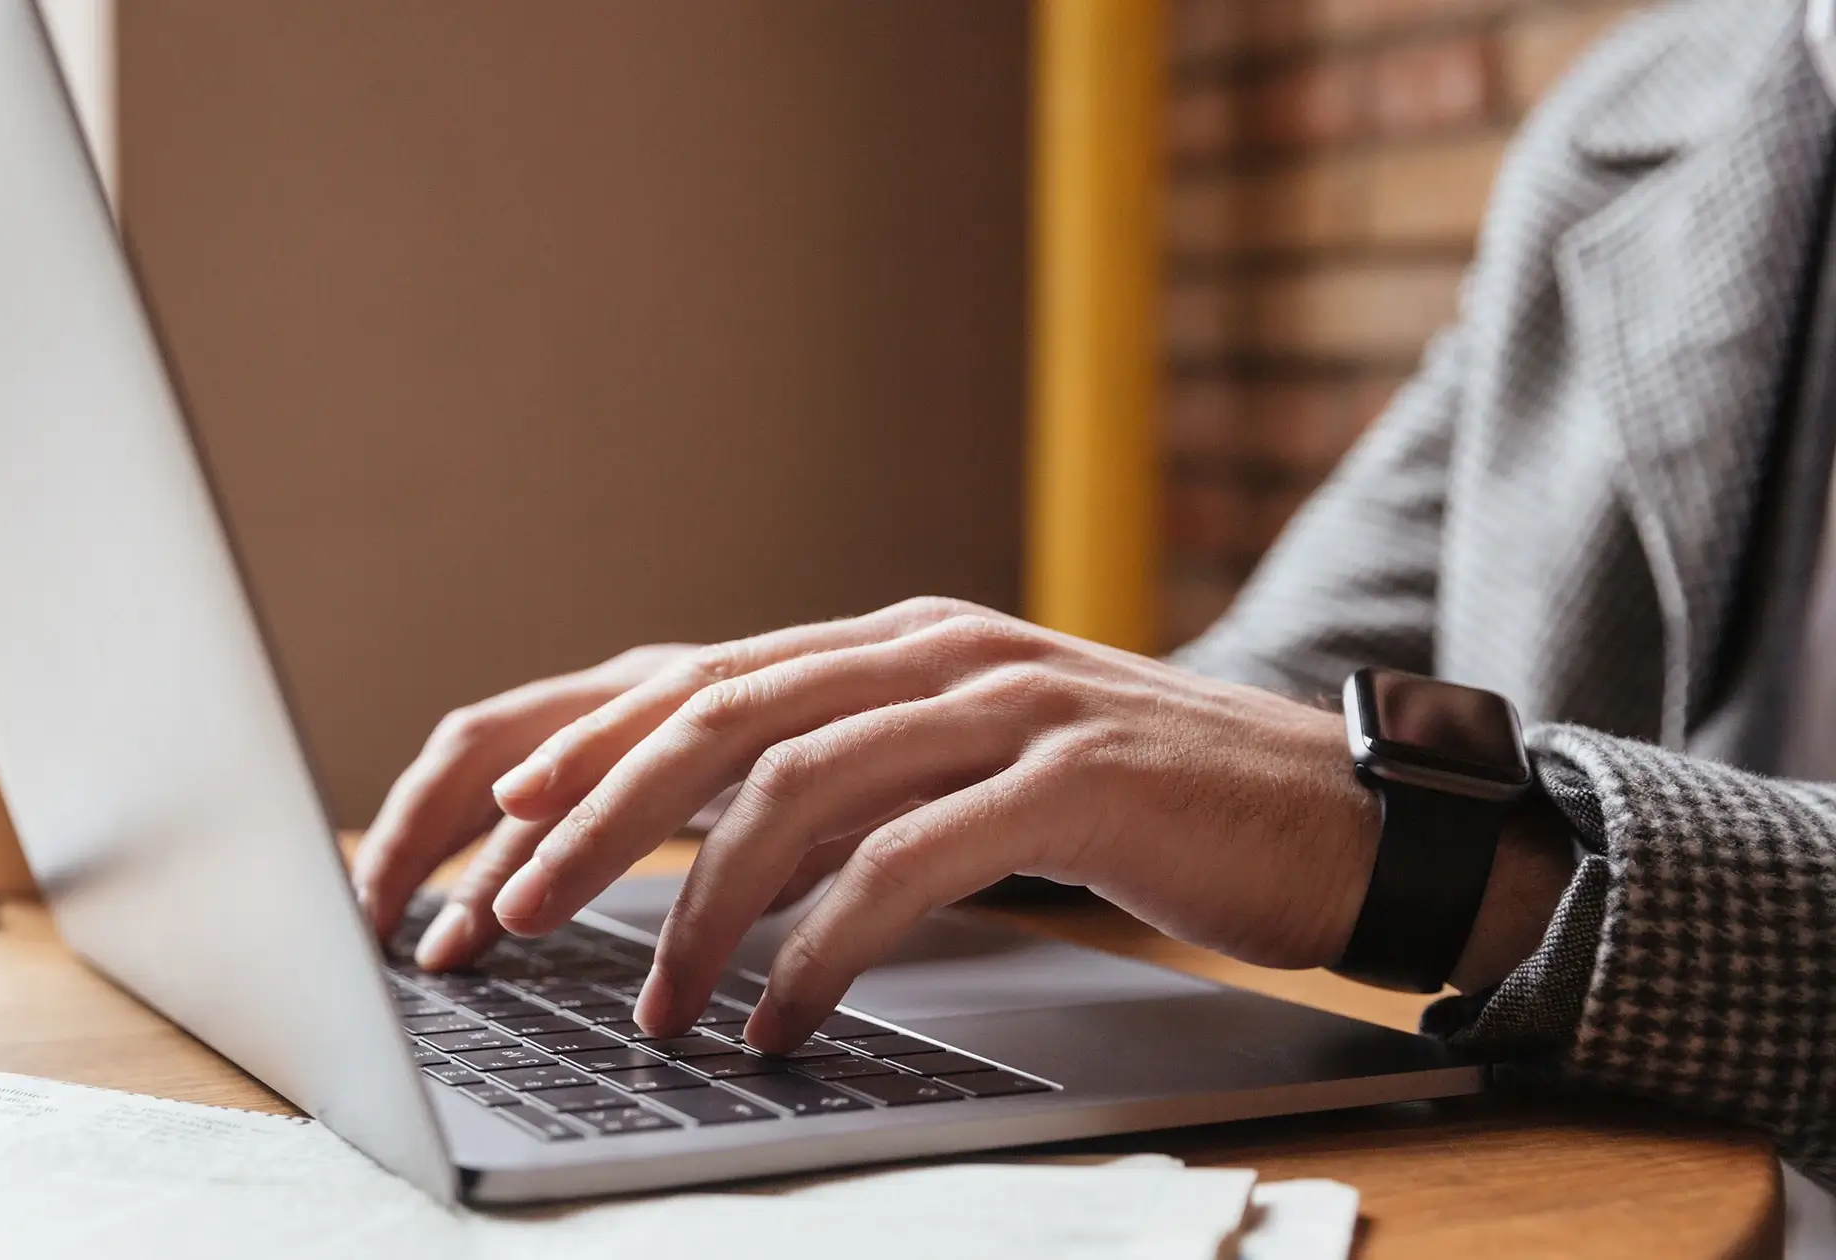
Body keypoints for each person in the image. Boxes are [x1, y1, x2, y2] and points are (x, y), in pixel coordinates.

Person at [351, 0, 1836, 1186]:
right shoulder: (1659, 101)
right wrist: (900, 744)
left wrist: (1470, 866)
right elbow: (1272, 693)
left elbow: (1345, 805)